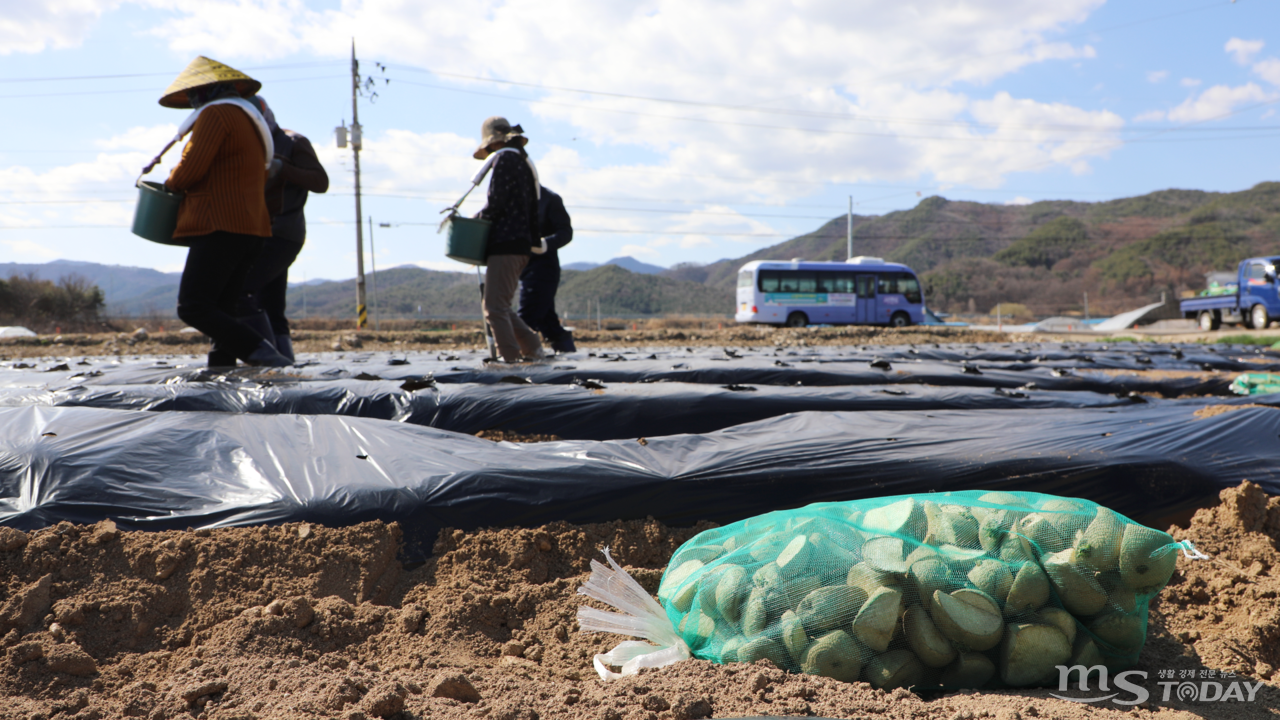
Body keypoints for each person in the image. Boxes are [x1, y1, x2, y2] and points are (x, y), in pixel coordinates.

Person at [159, 56, 291, 367]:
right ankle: (221, 367)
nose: (192, 101)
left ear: (208, 91)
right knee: (224, 306)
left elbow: (189, 170)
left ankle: (263, 354)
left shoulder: (216, 115)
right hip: (251, 227)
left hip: (219, 223)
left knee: (192, 306)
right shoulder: (250, 120)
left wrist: (170, 182)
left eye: (194, 94)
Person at [233, 96, 329, 363]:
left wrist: (282, 168)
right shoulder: (249, 146)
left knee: (241, 292)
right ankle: (285, 366)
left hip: (282, 232)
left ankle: (272, 362)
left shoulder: (292, 142)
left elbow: (320, 181)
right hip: (258, 233)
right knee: (272, 304)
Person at [473, 116, 544, 363]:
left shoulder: (505, 159)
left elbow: (496, 202)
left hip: (506, 241)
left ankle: (510, 361)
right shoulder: (522, 160)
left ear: (493, 142)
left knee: (493, 307)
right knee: (499, 305)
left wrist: (475, 220)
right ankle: (533, 348)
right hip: (520, 242)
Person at [518, 186, 575, 352]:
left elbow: (565, 232)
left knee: (526, 320)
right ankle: (569, 359)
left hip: (542, 269)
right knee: (548, 323)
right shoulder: (513, 196)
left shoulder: (549, 199)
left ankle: (517, 360)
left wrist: (543, 244)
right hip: (523, 268)